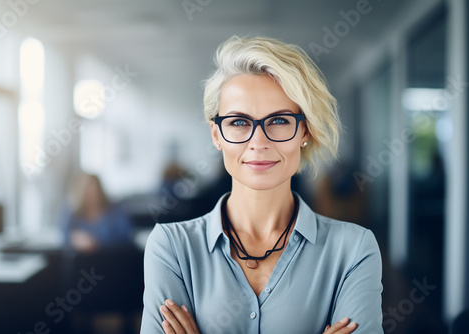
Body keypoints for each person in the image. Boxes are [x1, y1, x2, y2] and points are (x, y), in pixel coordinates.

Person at [141, 36, 383, 333]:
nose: (258, 142)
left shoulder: (354, 250)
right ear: (216, 134)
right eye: (239, 122)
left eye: (279, 121)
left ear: (304, 130)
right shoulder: (171, 248)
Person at [61, 173, 132, 252]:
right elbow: (63, 235)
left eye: (96, 190)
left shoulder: (116, 211)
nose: (93, 194)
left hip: (111, 258)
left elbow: (126, 236)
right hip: (80, 260)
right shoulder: (72, 212)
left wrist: (96, 242)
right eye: (88, 192)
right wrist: (74, 239)